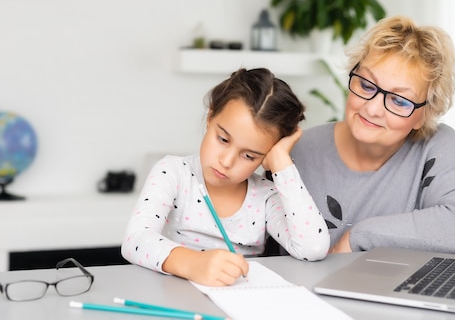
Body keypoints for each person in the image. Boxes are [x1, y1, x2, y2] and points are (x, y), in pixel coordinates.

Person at [290, 15, 455, 257]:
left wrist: (360, 236)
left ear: (424, 114)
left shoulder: (437, 146)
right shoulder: (297, 150)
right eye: (367, 86)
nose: (372, 109)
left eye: (399, 101)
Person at [121, 68, 329, 286]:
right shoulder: (173, 172)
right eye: (223, 139)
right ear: (210, 118)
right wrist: (194, 264)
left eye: (249, 155)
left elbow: (312, 248)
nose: (227, 161)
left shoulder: (266, 196)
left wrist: (281, 162)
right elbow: (135, 240)